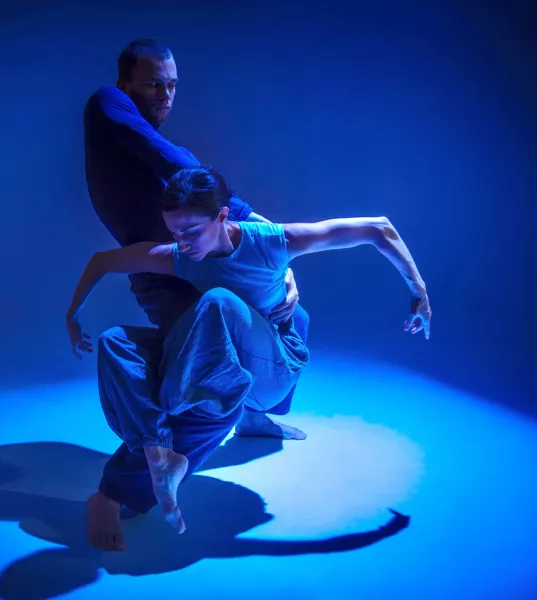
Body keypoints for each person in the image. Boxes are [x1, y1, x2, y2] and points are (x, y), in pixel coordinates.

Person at [67, 166, 432, 551]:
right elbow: (104, 261)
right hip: (228, 362)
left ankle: (186, 417)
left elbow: (378, 228)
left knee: (218, 302)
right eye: (174, 232)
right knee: (116, 342)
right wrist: (71, 316)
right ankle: (160, 452)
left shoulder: (272, 241)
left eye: (191, 231)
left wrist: (419, 290)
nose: (183, 242)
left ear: (222, 216)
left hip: (274, 369)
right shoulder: (182, 257)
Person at [83, 38, 308, 444]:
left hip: (203, 264)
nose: (166, 95)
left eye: (172, 85)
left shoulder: (139, 143)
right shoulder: (106, 104)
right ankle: (150, 461)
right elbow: (171, 160)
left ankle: (255, 416)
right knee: (201, 371)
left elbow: (195, 191)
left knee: (292, 318)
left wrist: (278, 260)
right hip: (165, 275)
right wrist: (261, 225)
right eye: (154, 84)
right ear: (124, 84)